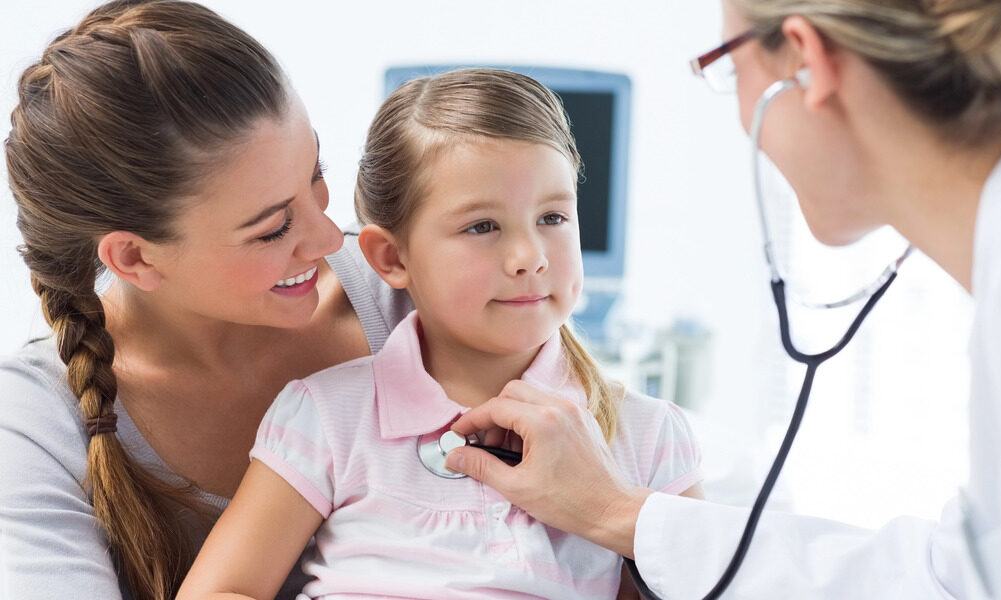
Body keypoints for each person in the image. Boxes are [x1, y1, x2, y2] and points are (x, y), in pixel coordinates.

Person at [447, 0, 1001, 598]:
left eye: (726, 64)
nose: (740, 114)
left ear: (804, 62)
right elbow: (951, 581)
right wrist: (617, 514)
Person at [174, 68, 705, 600]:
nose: (530, 257)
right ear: (391, 257)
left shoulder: (649, 437)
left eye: (553, 217)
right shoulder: (325, 415)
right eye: (482, 227)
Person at [0, 2, 412, 599]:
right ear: (136, 258)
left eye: (315, 173)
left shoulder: (407, 297)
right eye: (273, 228)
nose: (328, 238)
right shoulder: (38, 426)